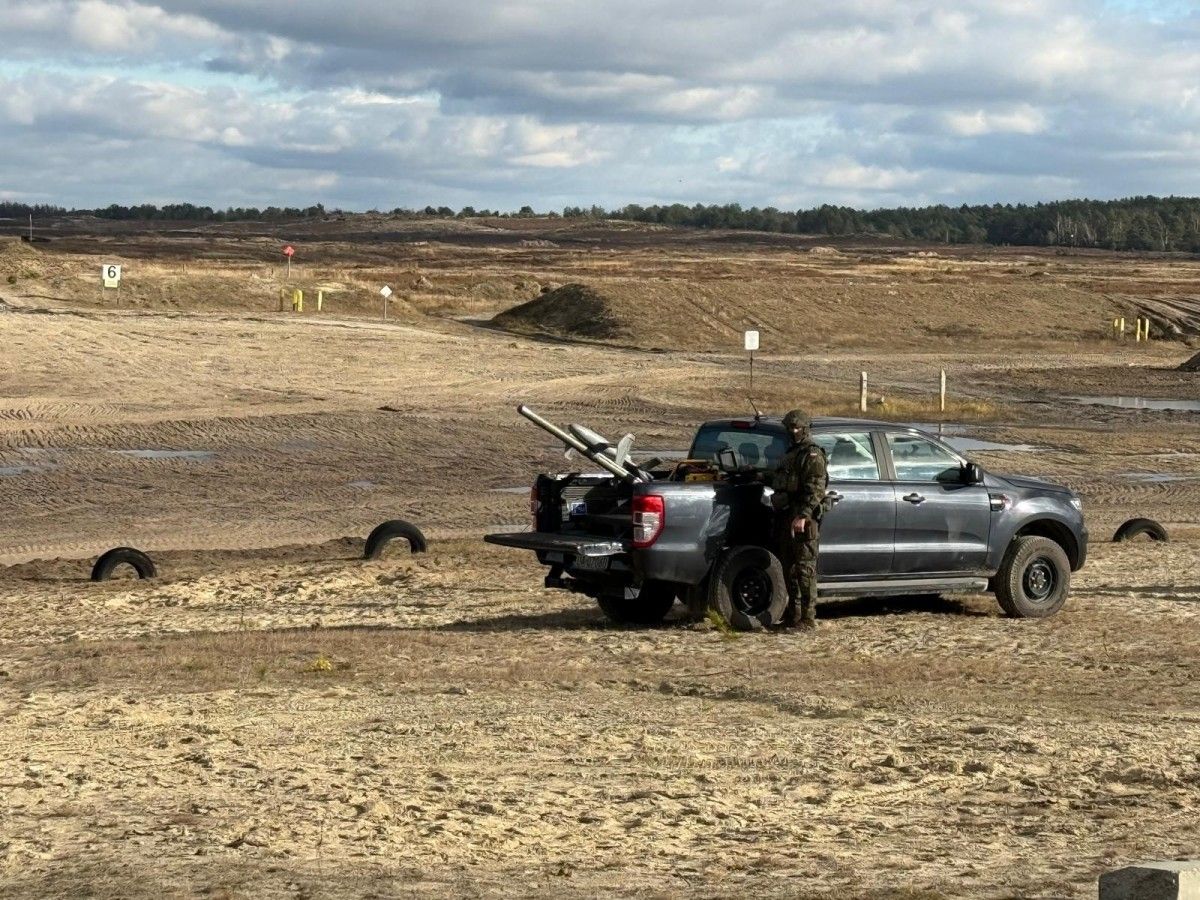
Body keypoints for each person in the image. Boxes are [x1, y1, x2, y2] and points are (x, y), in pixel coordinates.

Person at [771, 409, 828, 628]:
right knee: (790, 568)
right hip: (787, 514)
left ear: (805, 428)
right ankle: (793, 615)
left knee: (805, 568)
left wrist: (803, 515)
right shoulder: (791, 453)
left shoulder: (812, 454)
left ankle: (808, 617)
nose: (793, 431)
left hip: (804, 517)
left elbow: (815, 489)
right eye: (790, 428)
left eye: (797, 428)